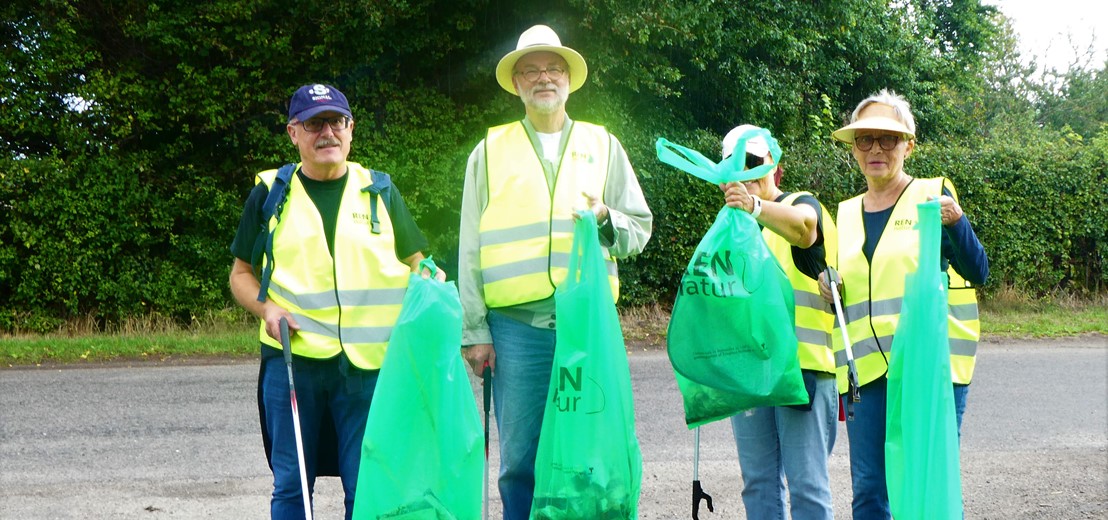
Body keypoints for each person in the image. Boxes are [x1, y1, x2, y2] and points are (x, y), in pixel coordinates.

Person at [456, 24, 653, 519]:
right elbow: (470, 248)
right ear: (518, 83)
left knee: (588, 451)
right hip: (515, 328)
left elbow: (639, 229)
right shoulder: (488, 151)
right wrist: (474, 330)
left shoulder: (604, 145)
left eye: (553, 69)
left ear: (568, 79)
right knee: (519, 459)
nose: (544, 78)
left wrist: (606, 217)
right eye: (532, 70)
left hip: (586, 326)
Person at [228, 83, 441, 520]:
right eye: (314, 123)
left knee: (368, 488)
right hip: (293, 363)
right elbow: (240, 275)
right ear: (294, 133)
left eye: (336, 121)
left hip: (367, 369)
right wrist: (267, 309)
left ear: (351, 129)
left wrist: (434, 282)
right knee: (291, 487)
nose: (327, 132)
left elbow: (422, 266)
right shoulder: (271, 194)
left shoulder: (379, 190)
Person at [818, 89, 989, 520]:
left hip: (928, 368)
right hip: (866, 373)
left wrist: (958, 223)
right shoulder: (846, 213)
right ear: (854, 148)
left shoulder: (934, 196)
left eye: (889, 139)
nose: (876, 149)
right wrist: (829, 282)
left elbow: (978, 269)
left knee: (924, 483)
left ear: (909, 146)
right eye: (865, 139)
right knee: (870, 491)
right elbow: (847, 285)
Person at [718, 125, 839, 519]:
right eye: (735, 167)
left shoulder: (801, 204)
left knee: (807, 487)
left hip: (801, 371)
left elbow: (804, 229)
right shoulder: (731, 228)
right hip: (750, 373)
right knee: (758, 485)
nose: (746, 174)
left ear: (777, 170)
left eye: (755, 164)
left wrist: (755, 208)